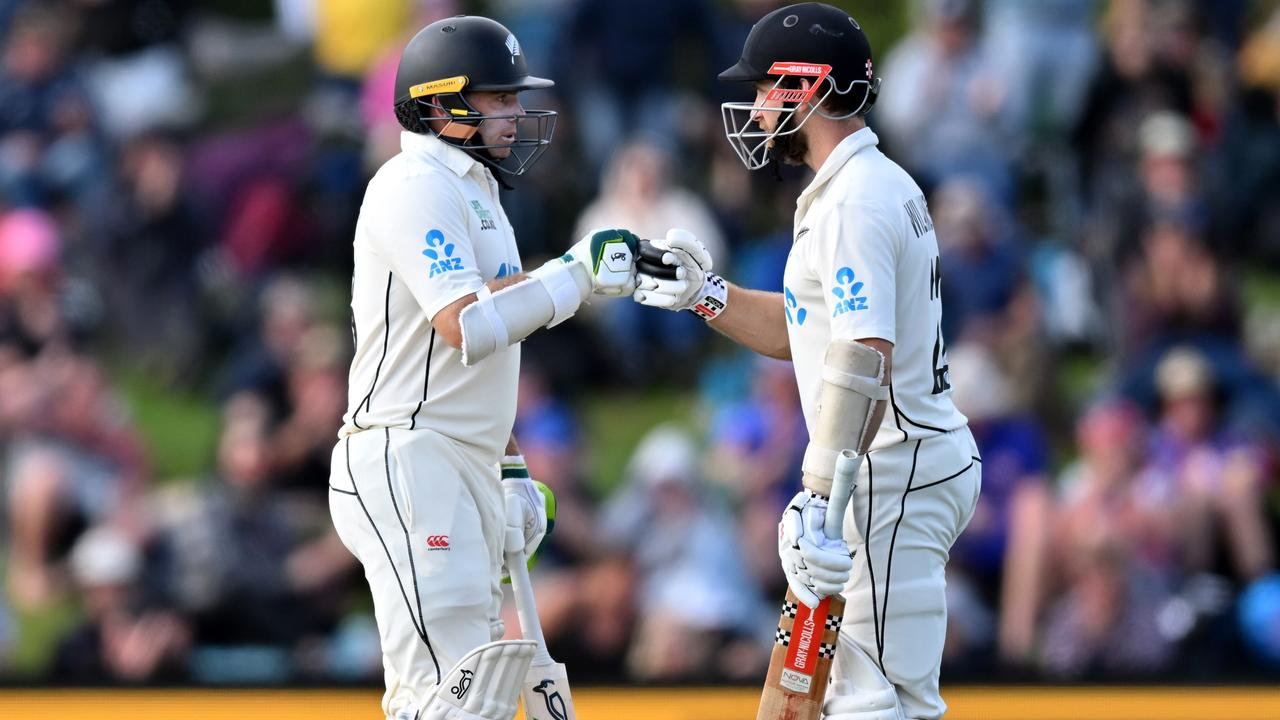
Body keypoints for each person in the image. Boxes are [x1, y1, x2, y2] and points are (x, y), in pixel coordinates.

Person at [633, 5, 981, 718]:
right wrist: (706, 294)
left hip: (891, 468)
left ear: (807, 87)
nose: (756, 108)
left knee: (879, 702)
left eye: (765, 88)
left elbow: (864, 359)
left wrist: (821, 497)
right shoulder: (853, 187)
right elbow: (810, 331)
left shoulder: (856, 199)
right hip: (888, 462)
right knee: (865, 698)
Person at [326, 15, 640, 720]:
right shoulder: (413, 183)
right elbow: (464, 322)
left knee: (482, 696)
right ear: (439, 104)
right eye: (499, 98)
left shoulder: (477, 189)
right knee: (445, 698)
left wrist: (511, 469)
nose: (516, 114)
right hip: (407, 456)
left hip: (457, 460)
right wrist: (575, 276)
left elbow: (486, 360)